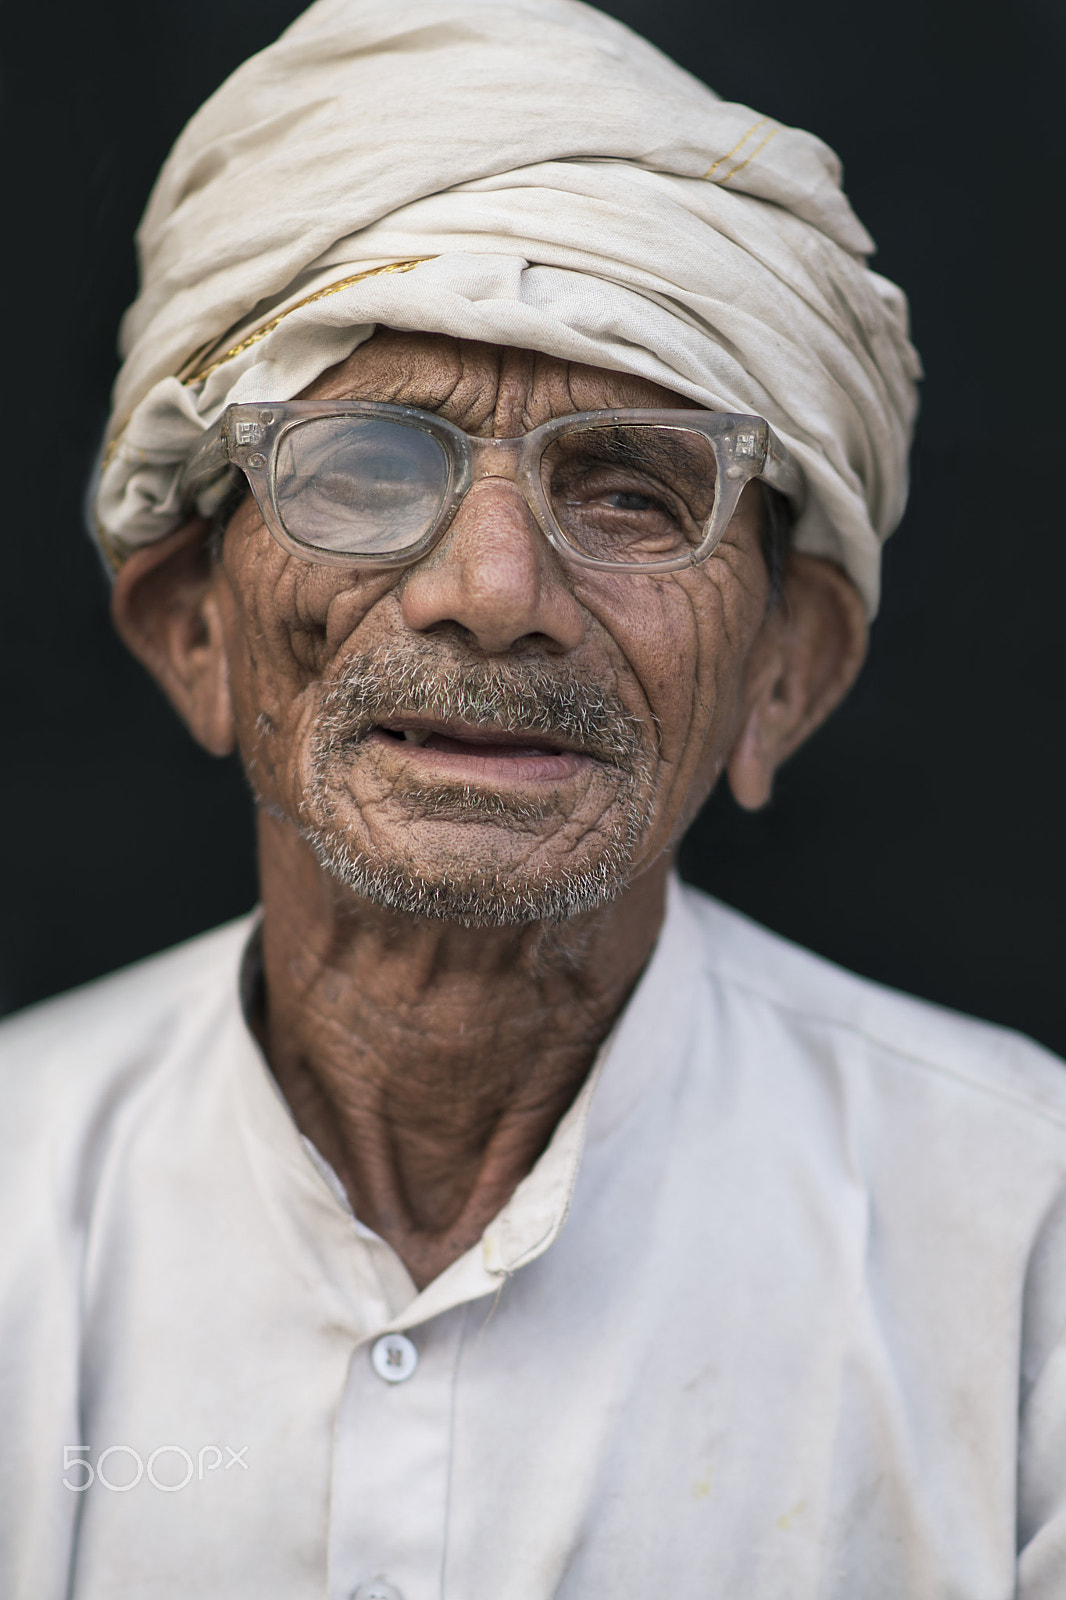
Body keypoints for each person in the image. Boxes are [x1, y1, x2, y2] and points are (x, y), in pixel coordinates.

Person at [1, 1, 1063, 1596]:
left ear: (784, 671)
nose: (493, 591)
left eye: (633, 489)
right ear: (196, 633)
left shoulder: (1022, 1240)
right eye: (363, 468)